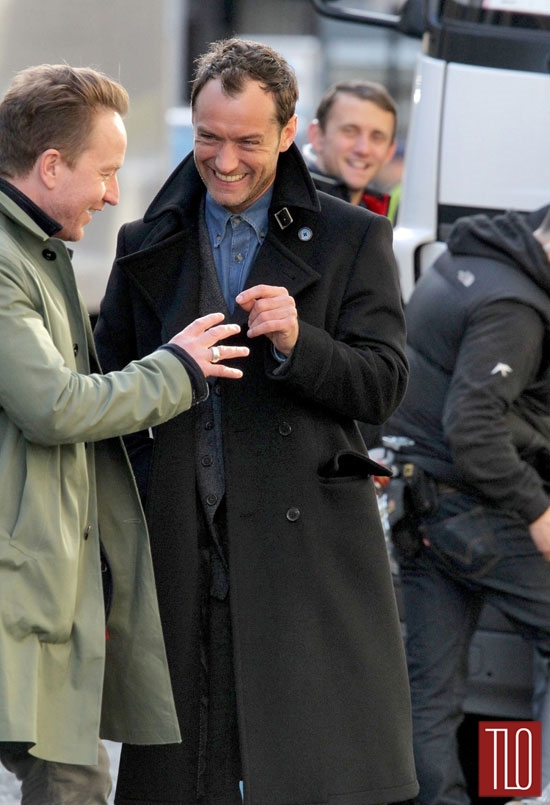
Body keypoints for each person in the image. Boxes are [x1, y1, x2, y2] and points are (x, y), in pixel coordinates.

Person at [94, 37, 418, 805]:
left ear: (288, 130)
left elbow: (384, 385)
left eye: (246, 140)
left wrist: (301, 343)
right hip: (178, 543)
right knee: (179, 772)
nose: (226, 160)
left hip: (302, 554)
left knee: (307, 772)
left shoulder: (352, 237)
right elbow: (106, 395)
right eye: (209, 138)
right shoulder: (147, 242)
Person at [0, 63, 249, 804]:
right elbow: (56, 406)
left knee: (74, 780)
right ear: (51, 167)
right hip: (24, 593)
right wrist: (179, 368)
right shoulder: (11, 264)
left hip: (40, 595)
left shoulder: (33, 256)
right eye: (104, 172)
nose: (114, 193)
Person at [383, 204, 550, 805]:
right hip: (469, 507)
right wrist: (539, 510)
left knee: (432, 694)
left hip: (420, 502)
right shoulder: (515, 310)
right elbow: (474, 428)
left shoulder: (479, 251)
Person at [303, 79, 398, 220]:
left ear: (390, 151)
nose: (363, 149)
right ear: (317, 136)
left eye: (377, 137)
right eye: (350, 131)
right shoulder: (286, 205)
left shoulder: (386, 219)